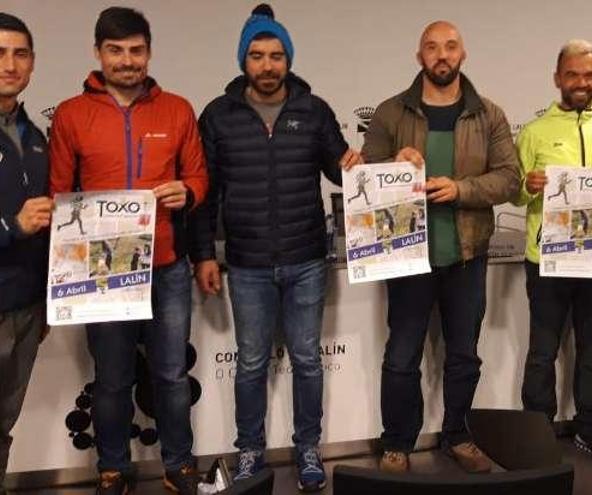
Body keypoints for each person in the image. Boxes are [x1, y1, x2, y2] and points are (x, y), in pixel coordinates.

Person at [188, 4, 360, 492]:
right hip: (246, 263)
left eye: (277, 55)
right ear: (244, 60)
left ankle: (309, 447)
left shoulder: (314, 110)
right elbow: (205, 194)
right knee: (250, 362)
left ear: (289, 59)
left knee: (307, 359)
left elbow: (338, 168)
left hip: (307, 258)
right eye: (258, 55)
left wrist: (358, 165)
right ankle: (250, 452)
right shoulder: (219, 116)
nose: (268, 65)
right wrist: (203, 253)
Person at [49, 7, 209, 494]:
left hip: (166, 267)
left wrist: (189, 191)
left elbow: (199, 176)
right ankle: (112, 466)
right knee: (113, 378)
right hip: (102, 273)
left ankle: (178, 462)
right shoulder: (72, 114)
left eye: (136, 50)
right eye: (116, 51)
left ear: (149, 52)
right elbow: (58, 195)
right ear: (98, 53)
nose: (127, 61)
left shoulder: (178, 109)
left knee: (171, 374)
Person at [361, 20, 520, 474]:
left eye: (450, 47)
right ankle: (396, 443)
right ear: (419, 57)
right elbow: (364, 177)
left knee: (465, 354)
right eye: (432, 48)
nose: (441, 55)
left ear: (463, 54)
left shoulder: (489, 114)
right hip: (408, 257)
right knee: (401, 355)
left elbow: (510, 178)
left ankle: (458, 436)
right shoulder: (391, 113)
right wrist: (393, 164)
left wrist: (462, 189)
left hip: (467, 256)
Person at [514, 39, 592, 467]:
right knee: (542, 353)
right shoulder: (533, 132)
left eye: (589, 75)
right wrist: (526, 185)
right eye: (573, 75)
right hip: (546, 261)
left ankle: (591, 430)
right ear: (558, 79)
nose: (581, 82)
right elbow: (513, 191)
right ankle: (537, 434)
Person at [0, 13, 52, 493]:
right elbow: (20, 226)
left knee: (2, 427)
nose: (9, 64)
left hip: (25, 308)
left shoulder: (35, 139)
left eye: (19, 53)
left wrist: (48, 299)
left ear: (32, 63)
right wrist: (11, 227)